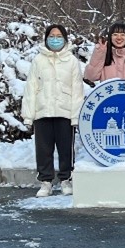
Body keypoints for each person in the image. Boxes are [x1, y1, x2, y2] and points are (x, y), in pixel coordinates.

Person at [22, 24, 84, 197]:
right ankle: (45, 182)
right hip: (43, 111)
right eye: (52, 36)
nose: (55, 39)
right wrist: (28, 116)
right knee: (43, 150)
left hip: (65, 112)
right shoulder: (38, 60)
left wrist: (75, 116)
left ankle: (66, 179)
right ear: (46, 38)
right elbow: (31, 88)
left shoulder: (71, 61)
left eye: (59, 36)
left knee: (66, 149)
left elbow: (77, 90)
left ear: (64, 39)